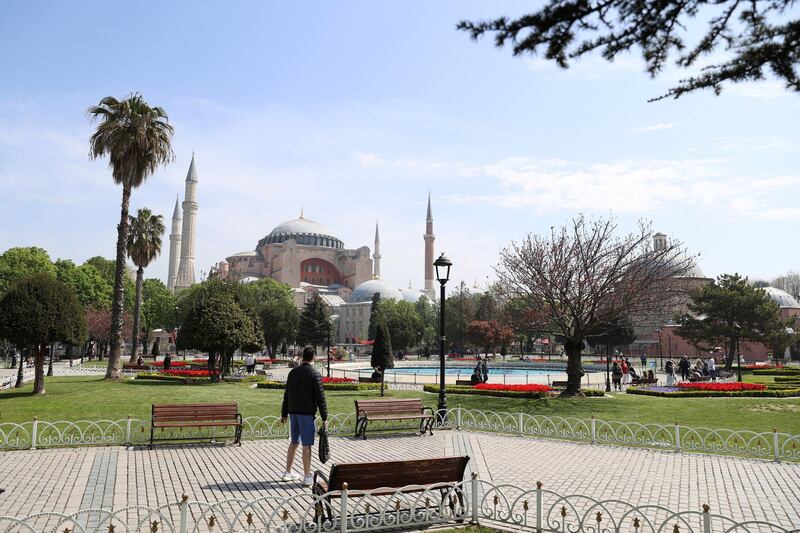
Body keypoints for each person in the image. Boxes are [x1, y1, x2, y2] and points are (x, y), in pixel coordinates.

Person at [281, 346, 328, 486]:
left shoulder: (293, 373)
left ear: (302, 357)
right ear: (314, 357)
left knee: (294, 442)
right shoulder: (314, 373)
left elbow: (287, 395)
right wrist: (325, 417)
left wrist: (284, 414)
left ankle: (287, 472)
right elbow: (321, 398)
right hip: (306, 414)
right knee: (306, 445)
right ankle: (307, 476)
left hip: (293, 412)